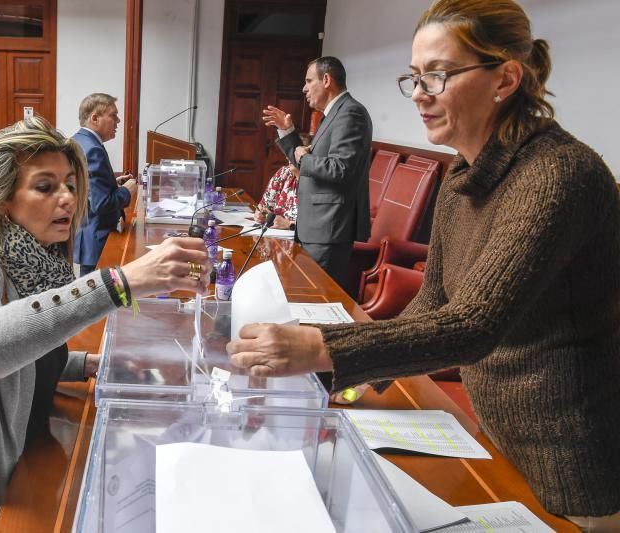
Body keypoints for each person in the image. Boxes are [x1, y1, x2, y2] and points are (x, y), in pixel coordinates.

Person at [230, 0, 620, 528]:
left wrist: (323, 349)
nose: (418, 94)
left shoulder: (558, 174)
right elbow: (432, 304)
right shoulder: (465, 175)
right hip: (494, 436)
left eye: (436, 76)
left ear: (504, 79)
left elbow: (472, 325)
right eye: (413, 77)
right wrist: (350, 383)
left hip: (569, 461)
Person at [0, 116, 211, 526]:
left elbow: (26, 357)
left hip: (31, 455)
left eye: (70, 185)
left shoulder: (37, 262)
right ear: (0, 199)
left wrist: (86, 364)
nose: (66, 198)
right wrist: (119, 283)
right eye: (45, 187)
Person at [262, 56, 372, 290]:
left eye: (308, 81)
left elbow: (341, 169)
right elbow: (304, 161)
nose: (304, 88)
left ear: (326, 80)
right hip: (314, 226)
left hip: (329, 229)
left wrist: (305, 157)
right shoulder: (331, 116)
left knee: (316, 297)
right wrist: (287, 131)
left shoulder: (351, 113)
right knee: (303, 293)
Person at [72, 93, 136, 276]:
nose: (119, 120)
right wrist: (126, 191)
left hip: (85, 231)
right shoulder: (93, 149)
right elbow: (101, 204)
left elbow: (84, 186)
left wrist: (111, 184)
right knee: (93, 297)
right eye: (113, 115)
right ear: (94, 118)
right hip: (95, 237)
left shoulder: (79, 140)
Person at [253, 163, 299, 230]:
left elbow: (318, 226)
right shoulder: (283, 173)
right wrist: (260, 214)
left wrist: (289, 224)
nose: (288, 157)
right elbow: (264, 206)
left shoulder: (316, 181)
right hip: (273, 235)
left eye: (295, 153)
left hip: (300, 238)